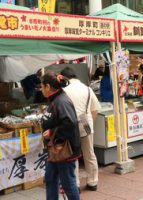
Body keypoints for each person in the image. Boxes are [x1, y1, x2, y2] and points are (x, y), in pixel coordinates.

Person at [40, 71, 80, 200]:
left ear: (47, 87)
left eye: (42, 86)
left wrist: (52, 132)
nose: (41, 90)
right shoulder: (55, 99)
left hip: (64, 150)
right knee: (50, 178)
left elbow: (70, 123)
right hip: (55, 149)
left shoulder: (61, 101)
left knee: (68, 183)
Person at [61, 67, 101, 192]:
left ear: (64, 78)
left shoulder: (64, 91)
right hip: (85, 121)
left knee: (73, 154)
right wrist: (88, 122)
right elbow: (95, 110)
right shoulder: (87, 89)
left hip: (70, 124)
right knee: (89, 153)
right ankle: (93, 182)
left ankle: (75, 184)